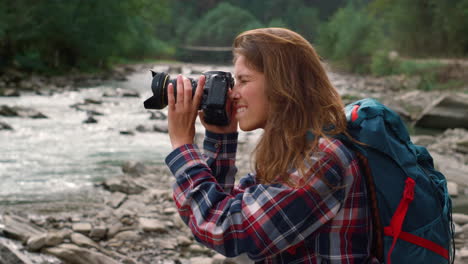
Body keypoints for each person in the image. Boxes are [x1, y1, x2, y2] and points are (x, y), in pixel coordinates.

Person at [164, 28, 378, 263]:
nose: (232, 94)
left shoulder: (322, 159)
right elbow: (223, 208)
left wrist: (183, 145)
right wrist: (220, 138)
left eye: (243, 81)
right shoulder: (293, 151)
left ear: (282, 85)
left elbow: (228, 231)